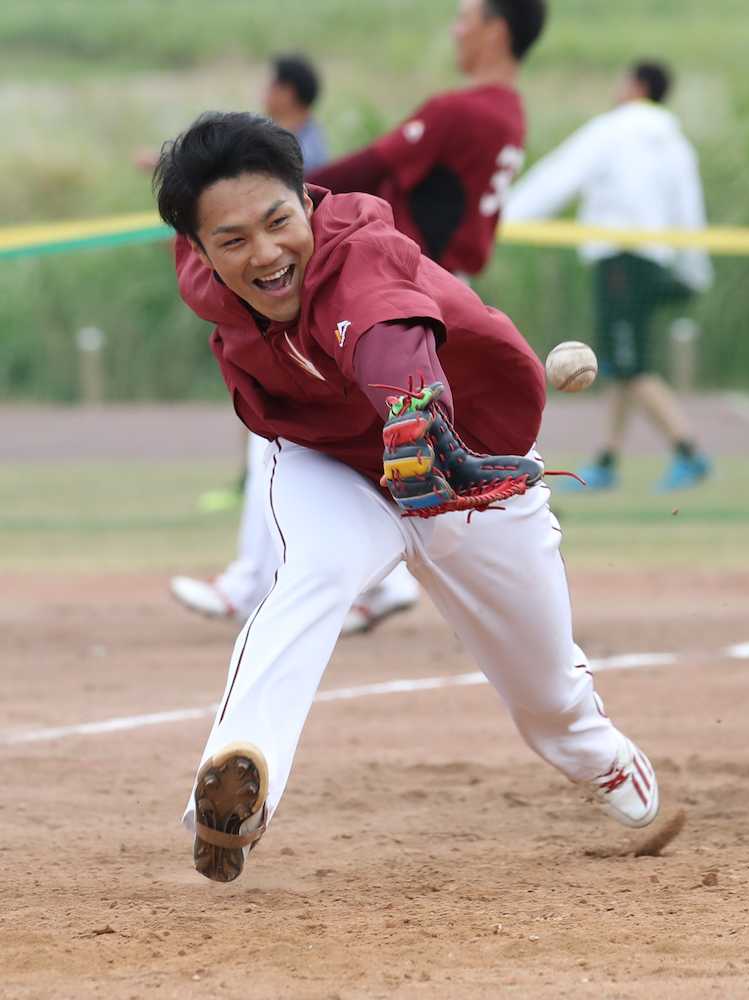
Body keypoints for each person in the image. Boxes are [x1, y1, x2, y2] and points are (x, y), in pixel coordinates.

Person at [154, 110, 660, 884]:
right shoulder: (205, 276)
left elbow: (389, 331)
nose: (264, 253)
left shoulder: (361, 254)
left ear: (308, 202)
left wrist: (409, 409)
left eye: (278, 221)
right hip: (332, 469)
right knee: (311, 579)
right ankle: (232, 790)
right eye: (231, 241)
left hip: (468, 476)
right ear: (197, 250)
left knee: (546, 690)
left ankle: (601, 757)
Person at [302, 0, 546, 629]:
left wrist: (276, 190)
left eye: (466, 18)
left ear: (497, 29)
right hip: (440, 284)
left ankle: (332, 579)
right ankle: (372, 579)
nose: (456, 29)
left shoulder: (460, 109)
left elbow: (370, 168)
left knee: (320, 423)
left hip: (406, 290)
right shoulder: (510, 112)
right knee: (426, 436)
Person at [168, 53, 332, 624]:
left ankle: (246, 584)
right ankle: (372, 588)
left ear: (288, 91)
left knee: (279, 443)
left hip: (319, 329)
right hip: (293, 333)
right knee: (281, 443)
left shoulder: (291, 157)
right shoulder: (278, 146)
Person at [505, 60, 714, 492]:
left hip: (619, 259)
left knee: (630, 365)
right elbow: (688, 206)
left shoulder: (614, 129)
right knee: (623, 361)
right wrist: (696, 267)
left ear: (636, 85)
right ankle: (607, 459)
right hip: (653, 259)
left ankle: (689, 450)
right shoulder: (675, 141)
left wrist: (505, 219)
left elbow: (560, 173)